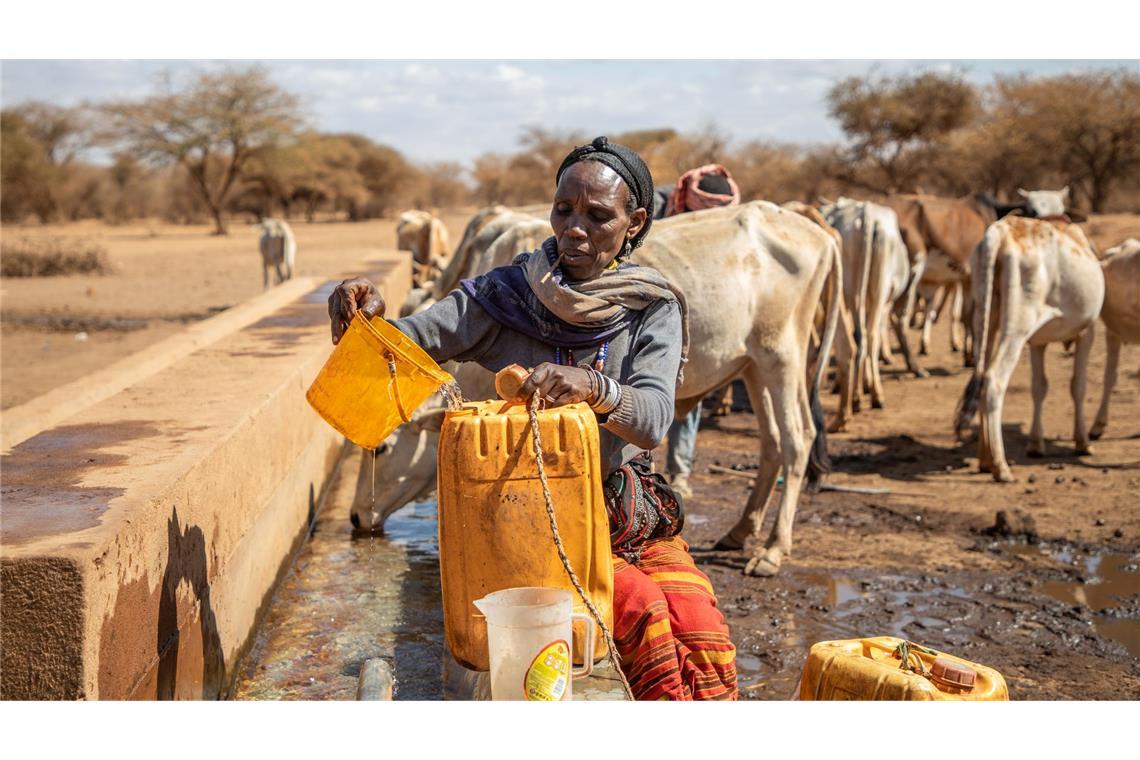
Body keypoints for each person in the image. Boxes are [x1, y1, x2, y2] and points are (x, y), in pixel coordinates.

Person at [328, 136, 737, 701]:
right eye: (563, 210)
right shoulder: (504, 297)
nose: (574, 228)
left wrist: (593, 387)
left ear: (635, 222)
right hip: (523, 526)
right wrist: (364, 320)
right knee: (645, 618)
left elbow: (650, 422)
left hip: (617, 514)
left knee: (702, 630)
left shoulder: (651, 307)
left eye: (598, 216)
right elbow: (411, 342)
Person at [660, 164, 742, 499]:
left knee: (688, 388)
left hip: (696, 312)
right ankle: (640, 469)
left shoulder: (725, 220)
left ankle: (680, 472)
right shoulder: (657, 209)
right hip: (654, 308)